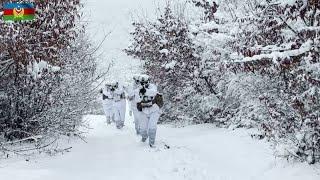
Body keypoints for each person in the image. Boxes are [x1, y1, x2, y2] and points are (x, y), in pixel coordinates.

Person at [137, 75, 163, 147]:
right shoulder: (138, 89)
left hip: (154, 109)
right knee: (143, 128)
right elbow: (137, 99)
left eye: (145, 82)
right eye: (142, 82)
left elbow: (154, 92)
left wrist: (145, 91)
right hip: (144, 110)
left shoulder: (152, 86)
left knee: (152, 126)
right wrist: (140, 93)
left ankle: (151, 142)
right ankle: (144, 138)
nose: (143, 84)